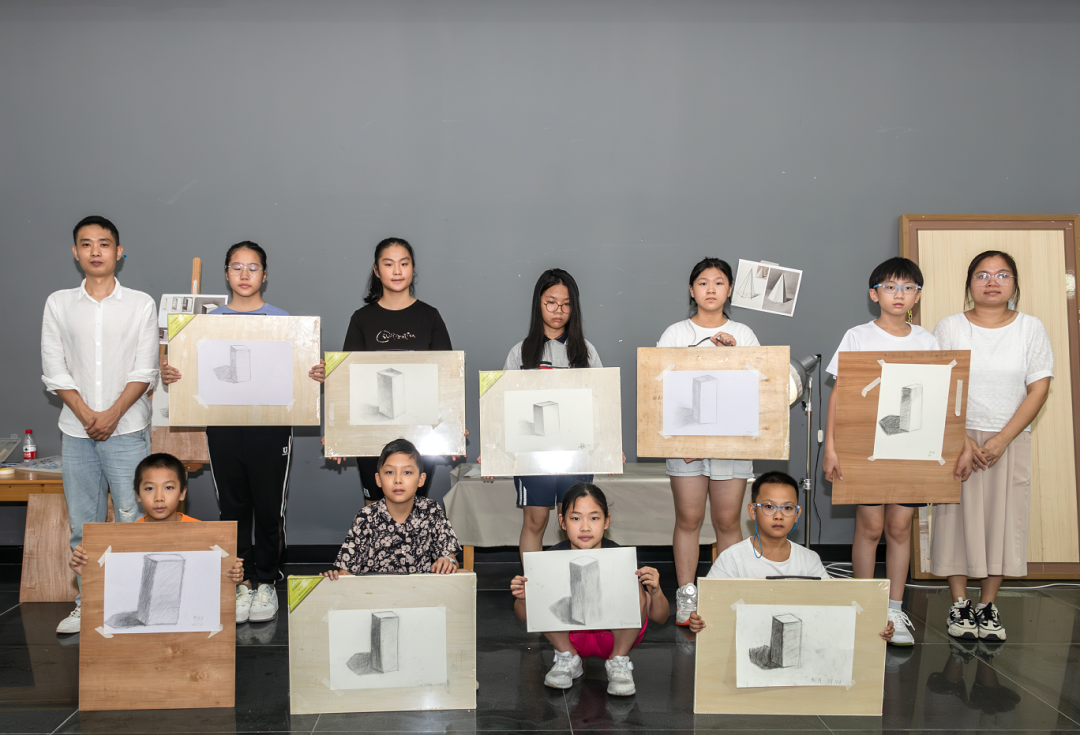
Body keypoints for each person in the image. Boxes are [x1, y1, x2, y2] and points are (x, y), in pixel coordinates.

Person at [161, 241, 324, 625]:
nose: (245, 274)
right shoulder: (207, 324)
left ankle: (266, 580)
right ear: (226, 274)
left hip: (271, 431)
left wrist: (313, 373)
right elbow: (193, 377)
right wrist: (172, 374)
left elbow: (294, 377)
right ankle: (240, 582)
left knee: (269, 509)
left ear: (264, 275)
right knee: (232, 509)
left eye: (253, 268)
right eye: (237, 267)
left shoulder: (283, 321)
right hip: (224, 429)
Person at [822, 257, 950, 647]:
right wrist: (831, 447)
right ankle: (864, 607)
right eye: (890, 286)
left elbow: (937, 395)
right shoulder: (858, 336)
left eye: (908, 287)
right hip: (865, 445)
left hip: (911, 446)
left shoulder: (927, 340)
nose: (899, 294)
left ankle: (894, 609)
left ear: (917, 296)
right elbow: (840, 394)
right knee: (870, 527)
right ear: (874, 294)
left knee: (899, 528)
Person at [43, 215, 158, 634]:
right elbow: (54, 368)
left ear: (118, 252)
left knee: (133, 523)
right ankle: (87, 604)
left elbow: (145, 370)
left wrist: (110, 415)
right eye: (87, 244)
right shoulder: (58, 303)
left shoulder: (141, 304)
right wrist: (86, 414)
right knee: (83, 527)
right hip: (76, 433)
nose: (96, 251)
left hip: (127, 429)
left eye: (104, 244)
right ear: (75, 252)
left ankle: (137, 610)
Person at [930, 251, 1052, 642]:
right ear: (969, 284)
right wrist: (962, 437)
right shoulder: (950, 327)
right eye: (982, 275)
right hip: (958, 438)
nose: (992, 282)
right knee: (955, 521)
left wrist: (1001, 439)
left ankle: (987, 605)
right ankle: (959, 603)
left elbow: (1039, 388)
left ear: (1014, 283)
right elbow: (938, 383)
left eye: (1002, 275)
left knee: (1003, 520)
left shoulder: (1030, 328)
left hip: (1009, 438)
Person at [656, 257, 761, 626]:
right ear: (691, 290)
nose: (711, 289)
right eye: (703, 282)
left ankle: (726, 595)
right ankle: (687, 594)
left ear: (729, 290)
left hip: (732, 440)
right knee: (688, 518)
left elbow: (757, 387)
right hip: (686, 441)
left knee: (728, 520)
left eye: (719, 282)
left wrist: (734, 355)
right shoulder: (674, 334)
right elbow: (661, 385)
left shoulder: (744, 334)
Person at [331, 238, 465, 503]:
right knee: (375, 510)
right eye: (388, 264)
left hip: (420, 432)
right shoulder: (362, 319)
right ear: (376, 270)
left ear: (412, 269)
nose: (396, 271)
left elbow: (447, 380)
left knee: (413, 508)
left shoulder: (430, 316)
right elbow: (349, 380)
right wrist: (339, 432)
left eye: (404, 264)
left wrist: (453, 426)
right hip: (370, 431)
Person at [687, 471, 894, 642]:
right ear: (753, 511)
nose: (778, 516)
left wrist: (875, 624)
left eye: (787, 508)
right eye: (769, 507)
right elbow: (710, 608)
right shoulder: (732, 558)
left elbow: (833, 606)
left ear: (797, 513)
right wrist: (698, 620)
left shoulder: (809, 560)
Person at [509, 483, 670, 696]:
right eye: (576, 518)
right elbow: (524, 617)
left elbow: (660, 617)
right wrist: (524, 598)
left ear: (606, 521)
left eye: (594, 518)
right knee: (542, 587)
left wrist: (656, 592)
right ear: (562, 522)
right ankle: (567, 658)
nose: (585, 527)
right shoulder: (550, 560)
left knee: (635, 589)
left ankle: (619, 661)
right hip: (570, 638)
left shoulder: (620, 559)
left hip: (613, 638)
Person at [499, 269, 603, 558]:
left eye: (566, 304)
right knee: (535, 521)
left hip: (576, 452)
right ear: (538, 303)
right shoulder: (520, 352)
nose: (559, 310)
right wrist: (495, 446)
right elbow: (503, 405)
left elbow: (602, 402)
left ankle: (572, 580)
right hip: (533, 454)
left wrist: (609, 444)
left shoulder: (586, 352)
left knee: (574, 519)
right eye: (551, 303)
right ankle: (532, 584)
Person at [69, 453, 244, 585]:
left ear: (182, 493)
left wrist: (233, 574)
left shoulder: (202, 533)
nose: (159, 497)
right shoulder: (127, 537)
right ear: (138, 495)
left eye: (168, 488)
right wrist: (87, 571)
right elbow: (119, 581)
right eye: (149, 489)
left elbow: (215, 576)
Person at [322, 438, 461, 578]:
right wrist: (335, 578)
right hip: (375, 590)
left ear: (421, 479)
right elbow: (346, 572)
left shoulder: (431, 511)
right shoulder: (365, 517)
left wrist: (447, 562)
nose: (398, 480)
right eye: (389, 472)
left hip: (418, 589)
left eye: (407, 472)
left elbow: (450, 558)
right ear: (378, 479)